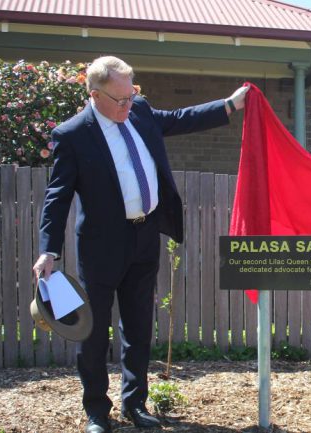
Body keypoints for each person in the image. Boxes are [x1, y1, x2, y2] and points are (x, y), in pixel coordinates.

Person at [33, 56, 249, 433]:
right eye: (120, 100)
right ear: (94, 95)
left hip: (145, 237)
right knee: (94, 334)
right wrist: (48, 249)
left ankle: (136, 404)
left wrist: (229, 105)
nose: (127, 105)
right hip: (101, 247)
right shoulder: (72, 135)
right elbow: (57, 197)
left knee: (138, 329)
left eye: (131, 96)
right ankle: (98, 412)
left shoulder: (140, 111)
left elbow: (180, 119)